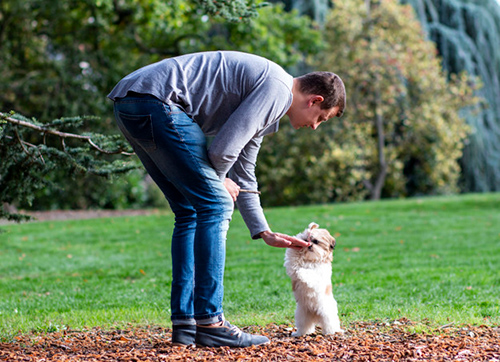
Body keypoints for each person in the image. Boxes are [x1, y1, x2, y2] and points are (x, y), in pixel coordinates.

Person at [108, 50, 346, 348]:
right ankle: (210, 322)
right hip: (157, 101)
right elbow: (222, 152)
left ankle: (186, 323)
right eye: (321, 118)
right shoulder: (277, 89)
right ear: (315, 101)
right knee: (216, 204)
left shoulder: (270, 98)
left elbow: (244, 174)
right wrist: (219, 182)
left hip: (132, 101)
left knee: (188, 210)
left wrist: (264, 231)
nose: (314, 126)